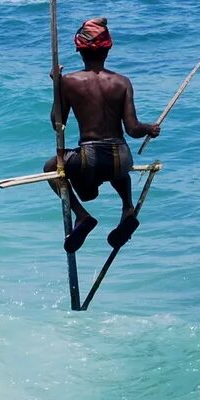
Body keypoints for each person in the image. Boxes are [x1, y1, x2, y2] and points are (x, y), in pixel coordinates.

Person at [43, 17, 161, 252]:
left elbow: (58, 124)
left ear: (79, 49)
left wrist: (56, 86)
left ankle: (82, 216)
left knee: (50, 168)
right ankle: (127, 208)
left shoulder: (69, 82)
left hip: (90, 157)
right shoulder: (122, 82)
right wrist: (149, 128)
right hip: (122, 157)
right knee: (118, 169)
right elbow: (132, 129)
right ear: (108, 49)